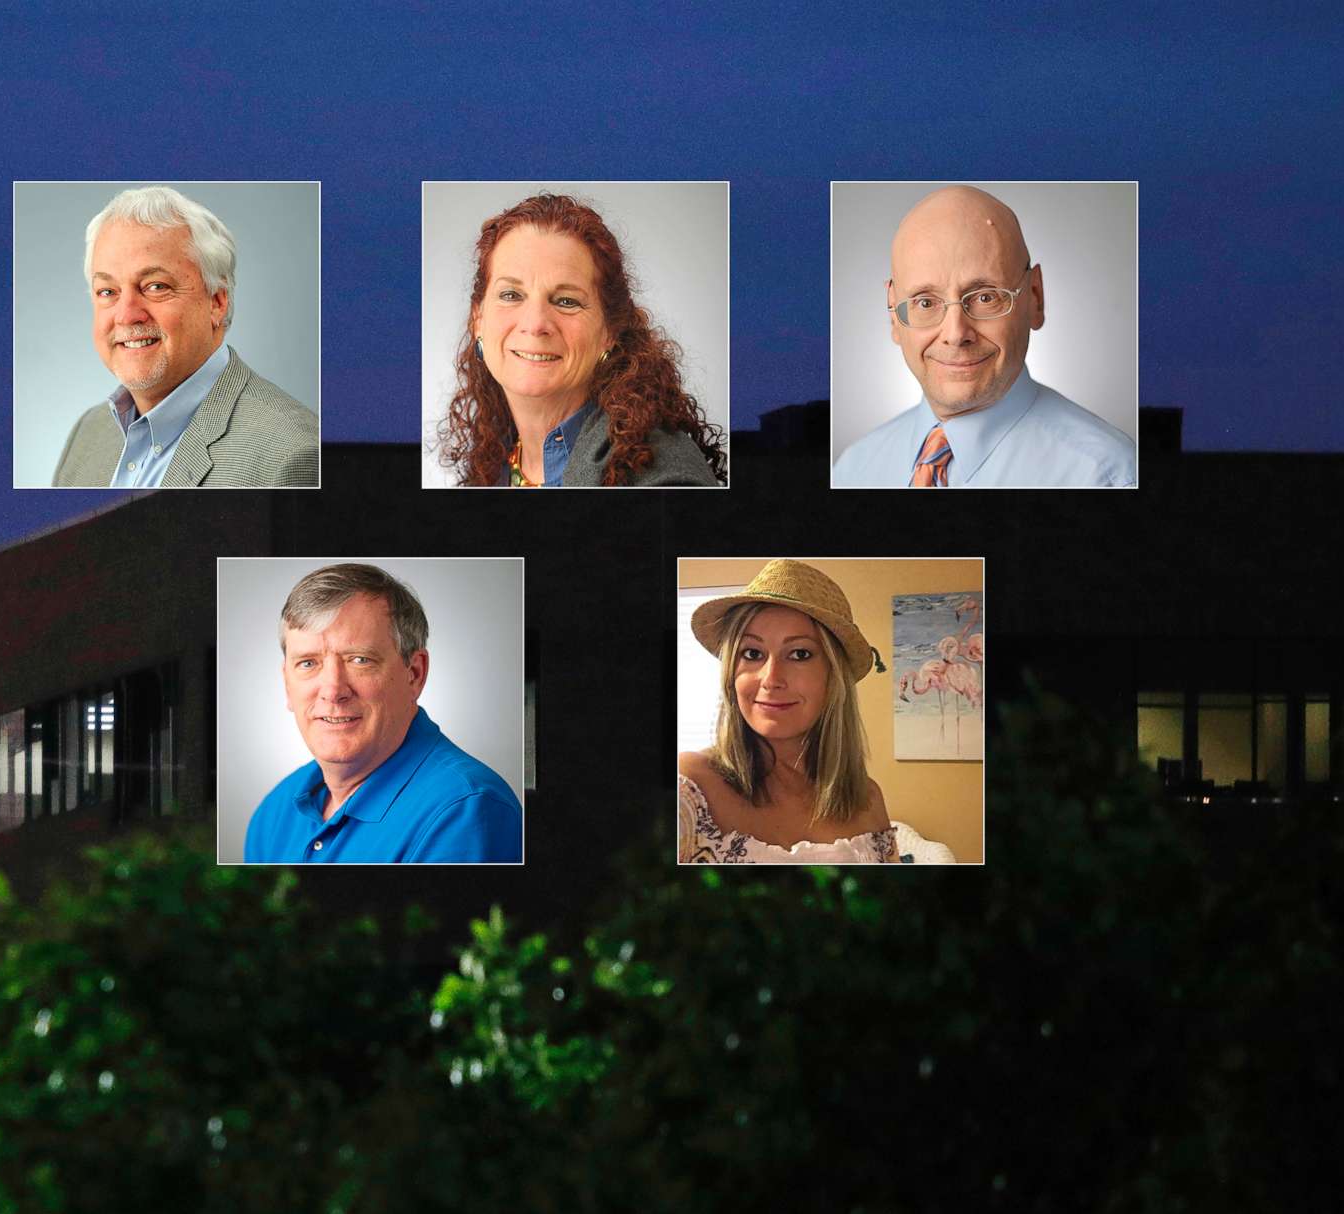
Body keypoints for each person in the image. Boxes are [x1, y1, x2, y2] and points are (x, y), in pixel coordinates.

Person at [832, 185, 1137, 488]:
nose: (955, 334)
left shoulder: (1107, 478)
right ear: (893, 315)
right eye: (925, 302)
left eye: (986, 297)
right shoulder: (853, 470)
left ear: (1035, 298)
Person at [435, 192, 725, 487]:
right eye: (511, 295)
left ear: (610, 331)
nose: (535, 324)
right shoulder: (495, 464)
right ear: (478, 320)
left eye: (566, 301)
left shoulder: (664, 477)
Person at [244, 564, 522, 864]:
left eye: (360, 660)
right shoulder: (273, 812)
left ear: (414, 674)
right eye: (309, 663)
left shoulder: (466, 811)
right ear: (287, 685)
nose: (333, 690)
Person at [50, 186, 320, 488]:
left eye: (155, 286)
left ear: (217, 302)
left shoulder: (293, 454)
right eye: (108, 292)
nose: (126, 315)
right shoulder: (87, 434)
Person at [678, 560, 899, 864]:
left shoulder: (868, 799)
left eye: (799, 654)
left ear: (833, 677)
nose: (770, 679)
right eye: (752, 653)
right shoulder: (690, 787)